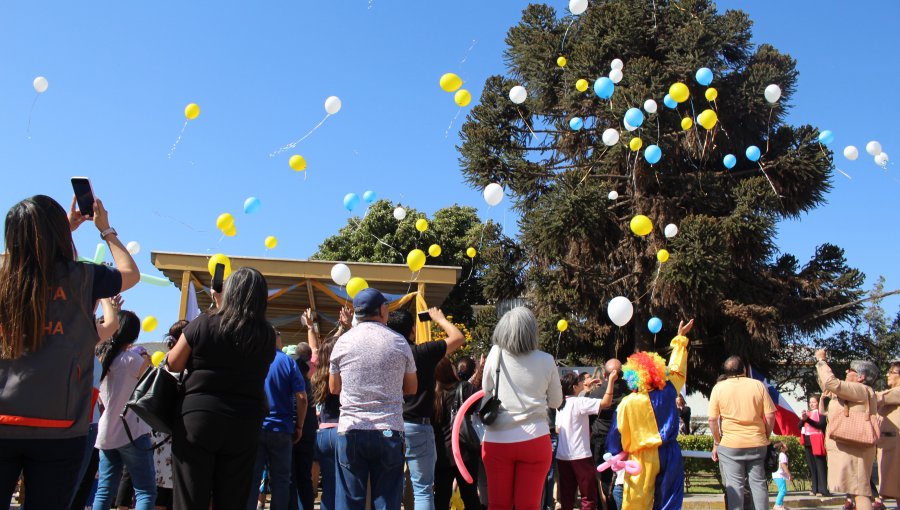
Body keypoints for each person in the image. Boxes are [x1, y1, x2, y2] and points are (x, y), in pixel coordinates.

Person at [0, 194, 138, 508]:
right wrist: (105, 230)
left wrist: (51, 232)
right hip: (58, 426)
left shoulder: (4, 275)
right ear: (57, 233)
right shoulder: (82, 277)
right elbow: (130, 274)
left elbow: (15, 259)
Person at [167, 267, 277, 510]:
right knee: (233, 495)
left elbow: (173, 362)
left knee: (190, 492)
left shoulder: (203, 323)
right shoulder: (267, 335)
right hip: (245, 420)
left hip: (199, 416)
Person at [329, 288, 417, 510]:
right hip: (389, 430)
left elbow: (333, 387)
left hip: (351, 429)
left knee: (349, 502)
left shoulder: (343, 342)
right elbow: (411, 388)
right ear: (381, 309)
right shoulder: (398, 342)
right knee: (387, 501)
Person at [480, 306, 563, 510]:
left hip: (497, 440)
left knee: (498, 505)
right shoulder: (546, 360)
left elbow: (485, 389)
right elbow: (556, 402)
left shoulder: (495, 353)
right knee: (529, 506)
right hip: (535, 440)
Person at [606, 319, 693, 510]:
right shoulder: (669, 391)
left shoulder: (626, 404)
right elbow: (678, 371)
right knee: (669, 501)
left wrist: (614, 453)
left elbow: (615, 435)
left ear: (632, 376)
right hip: (669, 452)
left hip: (641, 457)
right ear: (658, 372)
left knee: (636, 503)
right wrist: (680, 339)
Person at [387, 307, 466, 510]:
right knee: (423, 488)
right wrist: (439, 318)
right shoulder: (423, 352)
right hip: (419, 426)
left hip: (391, 426)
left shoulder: (386, 355)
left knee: (390, 487)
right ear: (412, 330)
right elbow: (458, 337)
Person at [92, 310, 157, 510]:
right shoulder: (134, 361)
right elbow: (152, 387)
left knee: (104, 490)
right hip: (133, 431)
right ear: (135, 334)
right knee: (145, 490)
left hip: (106, 431)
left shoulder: (102, 359)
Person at [246, 331, 308, 510]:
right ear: (278, 340)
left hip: (256, 428)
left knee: (252, 479)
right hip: (282, 429)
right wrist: (300, 426)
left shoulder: (253, 360)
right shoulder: (288, 362)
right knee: (281, 482)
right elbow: (302, 398)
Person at [708, 355, 776, 510]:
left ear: (726, 371)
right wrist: (766, 435)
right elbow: (771, 415)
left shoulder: (718, 388)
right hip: (757, 442)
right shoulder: (758, 385)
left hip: (730, 444)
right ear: (744, 369)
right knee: (758, 484)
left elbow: (712, 420)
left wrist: (717, 442)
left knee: (735, 486)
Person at [814, 350, 879, 510]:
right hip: (850, 448)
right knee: (855, 490)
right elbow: (826, 385)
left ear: (861, 377)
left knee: (860, 492)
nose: (846, 371)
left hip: (855, 449)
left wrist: (822, 361)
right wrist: (822, 365)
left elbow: (831, 383)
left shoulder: (861, 389)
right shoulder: (852, 390)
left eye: (850, 370)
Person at [308, 307, 352, 510]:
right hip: (342, 431)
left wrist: (341, 329)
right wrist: (348, 328)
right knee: (344, 486)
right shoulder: (344, 375)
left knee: (328, 487)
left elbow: (320, 349)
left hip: (323, 434)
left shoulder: (316, 375)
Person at [555, 370, 617, 510]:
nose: (583, 382)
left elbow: (558, 429)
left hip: (563, 455)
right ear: (574, 387)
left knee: (567, 497)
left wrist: (587, 387)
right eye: (580, 382)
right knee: (588, 497)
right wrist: (611, 381)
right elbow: (606, 403)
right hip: (581, 455)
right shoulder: (579, 402)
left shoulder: (561, 403)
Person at [433, 356, 484, 510]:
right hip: (465, 453)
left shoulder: (433, 394)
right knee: (470, 497)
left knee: (441, 498)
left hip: (442, 454)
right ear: (451, 369)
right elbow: (483, 407)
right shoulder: (466, 389)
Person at [152, 321, 187, 510]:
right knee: (175, 488)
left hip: (160, 428)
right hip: (177, 428)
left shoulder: (164, 360)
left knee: (161, 488)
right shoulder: (186, 362)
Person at [588, 359, 629, 510]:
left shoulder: (597, 393)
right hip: (622, 440)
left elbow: (589, 416)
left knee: (600, 477)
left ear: (604, 374)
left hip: (600, 438)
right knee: (620, 477)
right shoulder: (630, 391)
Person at [876, 360, 899, 504]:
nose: (887, 374)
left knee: (896, 484)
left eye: (891, 372)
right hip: (888, 444)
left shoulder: (896, 392)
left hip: (896, 445)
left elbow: (878, 397)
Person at [799, 393, 830, 497]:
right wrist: (803, 419)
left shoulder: (822, 413)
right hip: (808, 441)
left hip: (817, 440)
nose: (812, 404)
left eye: (814, 402)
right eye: (810, 402)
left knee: (820, 465)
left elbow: (820, 425)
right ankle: (814, 488)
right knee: (812, 466)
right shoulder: (808, 413)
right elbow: (800, 426)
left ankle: (823, 489)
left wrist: (807, 420)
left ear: (818, 403)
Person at [771, 441, 792, 510]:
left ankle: (780, 505)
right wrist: (789, 475)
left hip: (776, 474)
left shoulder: (779, 454)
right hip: (779, 475)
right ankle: (777, 505)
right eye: (784, 444)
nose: (786, 445)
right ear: (781, 448)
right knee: (783, 490)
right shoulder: (782, 455)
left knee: (781, 490)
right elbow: (784, 466)